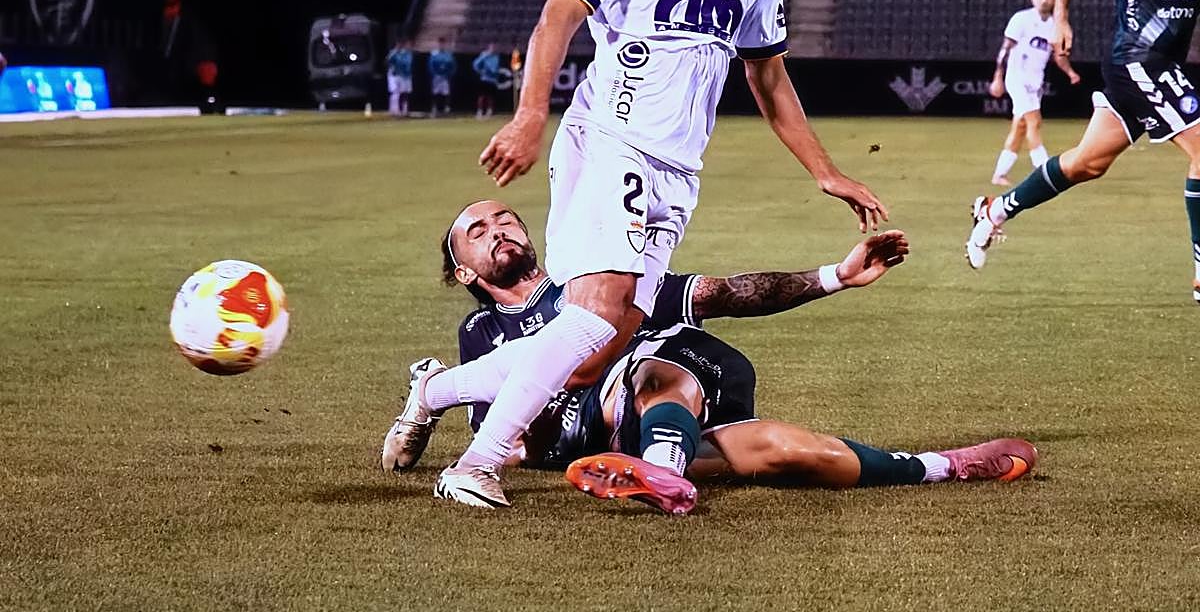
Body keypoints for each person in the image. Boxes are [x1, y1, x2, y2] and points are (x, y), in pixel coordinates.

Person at [434, 0, 886, 510]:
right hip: (611, 139)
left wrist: (826, 171)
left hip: (676, 169)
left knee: (596, 350)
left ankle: (436, 391)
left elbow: (767, 76)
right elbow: (558, 18)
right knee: (593, 314)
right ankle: (478, 465)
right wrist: (528, 116)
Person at [380, 201, 1037, 513]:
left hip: (658, 415)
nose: (499, 230)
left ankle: (944, 467)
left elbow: (726, 293)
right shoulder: (480, 338)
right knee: (690, 384)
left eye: (505, 218)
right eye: (477, 230)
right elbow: (513, 442)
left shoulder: (599, 284)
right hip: (589, 447)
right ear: (464, 271)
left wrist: (835, 275)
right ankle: (659, 471)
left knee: (775, 438)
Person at [966, 0, 1200, 289]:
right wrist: (1064, 18)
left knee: (1087, 162)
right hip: (1137, 58)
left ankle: (995, 210)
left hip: (1165, 62)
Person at [986, 0, 1081, 185]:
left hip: (1034, 82)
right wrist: (998, 77)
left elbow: (1058, 55)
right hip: (1017, 78)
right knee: (1034, 122)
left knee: (1020, 127)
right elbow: (1005, 49)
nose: (1045, 0)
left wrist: (1070, 72)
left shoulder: (1056, 24)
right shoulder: (1021, 19)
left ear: (1054, 0)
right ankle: (1044, 170)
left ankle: (999, 174)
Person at [386, 38, 414, 117]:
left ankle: (404, 110)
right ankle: (394, 110)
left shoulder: (407, 54)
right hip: (395, 76)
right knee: (395, 93)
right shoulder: (394, 53)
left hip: (405, 76)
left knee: (405, 93)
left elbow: (407, 64)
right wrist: (395, 52)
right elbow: (388, 61)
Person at [428, 40, 456, 118]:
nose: (441, 46)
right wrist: (434, 74)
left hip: (445, 77)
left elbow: (452, 65)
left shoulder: (448, 54)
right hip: (436, 77)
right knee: (435, 92)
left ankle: (446, 108)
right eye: (440, 44)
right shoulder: (434, 54)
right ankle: (434, 108)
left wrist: (449, 74)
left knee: (446, 92)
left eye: (443, 44)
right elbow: (430, 65)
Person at [472, 43, 500, 119]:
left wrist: (495, 74)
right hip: (484, 79)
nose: (493, 49)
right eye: (492, 47)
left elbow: (496, 68)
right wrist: (481, 71)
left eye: (494, 48)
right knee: (482, 96)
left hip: (493, 80)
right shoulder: (484, 55)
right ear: (489, 48)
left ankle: (489, 111)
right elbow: (475, 64)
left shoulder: (496, 57)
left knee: (491, 97)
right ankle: (480, 111)